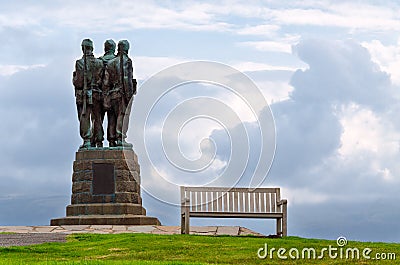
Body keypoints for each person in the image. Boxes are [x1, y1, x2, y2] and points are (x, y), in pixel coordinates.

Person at [72, 39, 104, 149]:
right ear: (92, 48)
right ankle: (98, 140)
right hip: (97, 94)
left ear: (83, 48)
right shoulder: (99, 63)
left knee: (84, 117)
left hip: (84, 95)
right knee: (97, 118)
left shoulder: (80, 63)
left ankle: (87, 140)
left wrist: (74, 79)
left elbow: (79, 82)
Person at [106, 40, 136, 148]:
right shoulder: (127, 61)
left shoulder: (110, 62)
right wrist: (129, 95)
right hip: (122, 93)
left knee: (112, 117)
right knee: (123, 115)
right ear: (126, 48)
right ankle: (121, 138)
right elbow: (126, 78)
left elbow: (106, 82)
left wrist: (106, 96)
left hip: (112, 94)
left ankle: (112, 139)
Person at [98, 39, 117, 147]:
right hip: (113, 94)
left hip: (99, 94)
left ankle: (97, 141)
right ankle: (112, 140)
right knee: (112, 117)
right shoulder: (116, 61)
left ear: (105, 48)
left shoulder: (99, 61)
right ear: (114, 48)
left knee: (98, 119)